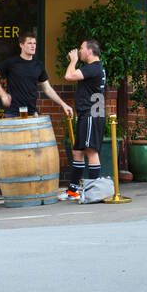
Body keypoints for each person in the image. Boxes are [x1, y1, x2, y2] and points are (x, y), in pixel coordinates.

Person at [0, 33, 74, 122]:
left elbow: (47, 89)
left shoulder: (38, 65)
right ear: (21, 45)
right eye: (29, 43)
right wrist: (3, 94)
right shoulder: (11, 62)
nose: (33, 46)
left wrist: (63, 104)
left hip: (32, 114)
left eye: (34, 43)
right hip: (13, 113)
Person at [60, 40, 107, 200]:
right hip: (88, 114)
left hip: (91, 114)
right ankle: (72, 191)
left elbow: (69, 76)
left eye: (81, 49)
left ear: (89, 51)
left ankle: (94, 192)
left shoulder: (93, 67)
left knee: (90, 151)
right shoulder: (94, 68)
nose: (79, 51)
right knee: (77, 152)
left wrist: (73, 61)